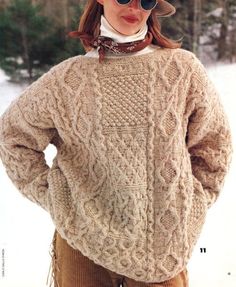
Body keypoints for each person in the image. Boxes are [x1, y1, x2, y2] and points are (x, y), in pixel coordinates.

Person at [0, 0, 233, 286]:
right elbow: (13, 135)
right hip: (81, 246)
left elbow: (213, 144)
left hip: (164, 249)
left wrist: (192, 204)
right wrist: (55, 197)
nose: (134, 5)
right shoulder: (65, 81)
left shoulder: (182, 71)